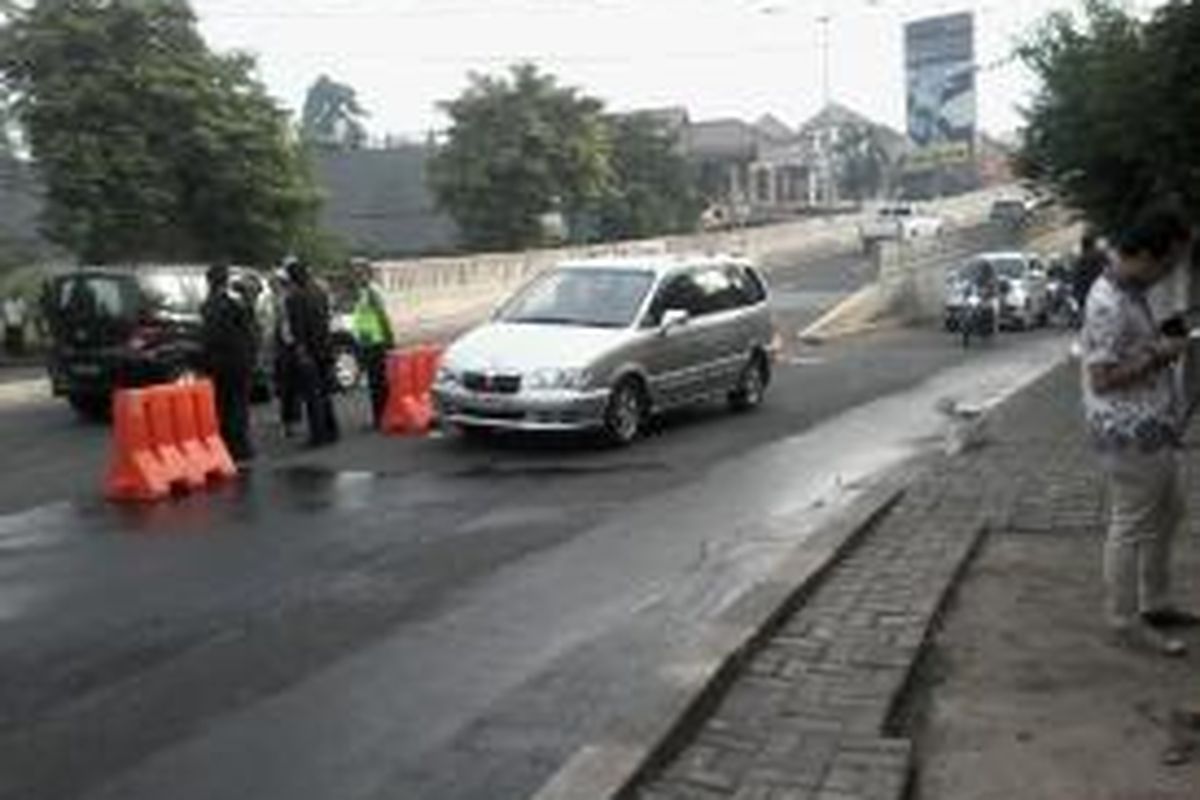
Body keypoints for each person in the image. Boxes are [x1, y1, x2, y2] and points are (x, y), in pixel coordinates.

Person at [1079, 202, 1196, 657]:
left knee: (1169, 513)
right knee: (1130, 525)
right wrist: (1160, 355)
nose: (1169, 273)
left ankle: (1156, 602)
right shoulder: (1108, 301)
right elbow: (1102, 377)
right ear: (1147, 254)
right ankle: (1124, 621)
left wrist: (1161, 339)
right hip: (1128, 433)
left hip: (1151, 426)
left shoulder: (1128, 289)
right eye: (1168, 263)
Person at [201, 263, 258, 463]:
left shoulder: (207, 305)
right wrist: (247, 297)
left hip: (216, 362)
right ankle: (240, 449)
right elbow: (250, 327)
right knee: (238, 405)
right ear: (225, 281)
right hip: (237, 361)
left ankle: (223, 445)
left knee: (221, 405)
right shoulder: (233, 304)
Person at [284, 257, 340, 447]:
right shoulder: (320, 292)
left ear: (293, 278)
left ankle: (318, 435)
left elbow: (297, 329)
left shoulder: (293, 298)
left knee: (312, 395)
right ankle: (332, 429)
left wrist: (301, 352)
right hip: (325, 347)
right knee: (325, 392)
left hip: (308, 350)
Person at [349, 259, 395, 428]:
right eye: (354, 273)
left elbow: (382, 315)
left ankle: (383, 417)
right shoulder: (363, 292)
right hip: (367, 341)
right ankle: (380, 416)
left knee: (379, 382)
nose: (355, 276)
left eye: (359, 272)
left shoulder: (372, 291)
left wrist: (389, 338)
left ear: (368, 273)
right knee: (374, 382)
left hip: (377, 342)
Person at [1073, 231, 1108, 317]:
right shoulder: (1100, 254)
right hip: (1101, 288)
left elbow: (1077, 276)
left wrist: (1077, 293)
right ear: (1093, 243)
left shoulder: (1081, 258)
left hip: (1086, 291)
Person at [3, 292, 28, 356]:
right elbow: (5, 313)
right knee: (10, 338)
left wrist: (24, 322)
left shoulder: (21, 302)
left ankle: (18, 351)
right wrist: (6, 322)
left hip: (18, 322)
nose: (14, 296)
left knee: (18, 338)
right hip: (10, 322)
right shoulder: (8, 303)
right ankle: (10, 351)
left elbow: (24, 313)